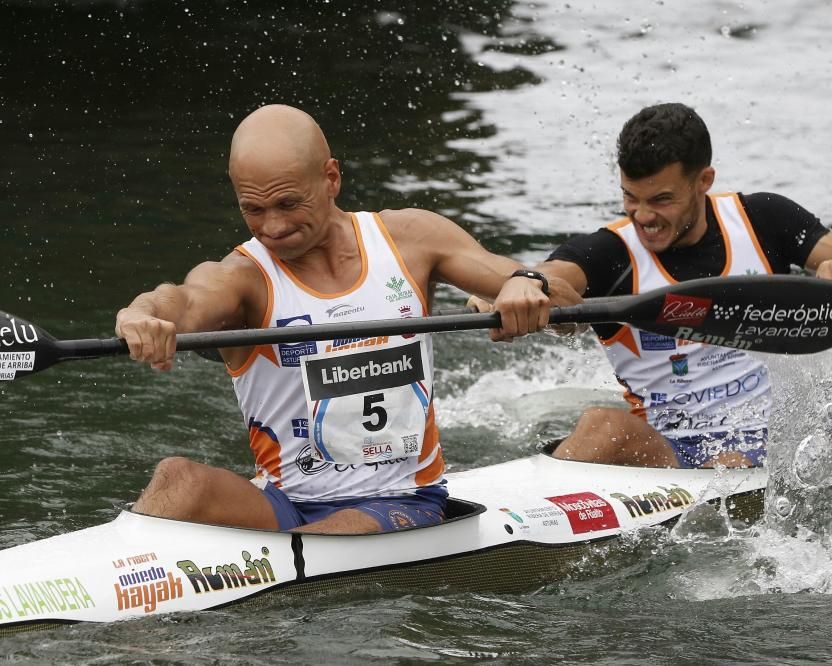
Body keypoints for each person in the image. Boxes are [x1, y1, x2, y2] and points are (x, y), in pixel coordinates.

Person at [115, 104, 572, 534]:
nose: (272, 227)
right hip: (283, 501)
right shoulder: (244, 276)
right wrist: (142, 315)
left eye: (289, 205)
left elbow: (569, 312)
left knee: (341, 531)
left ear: (331, 178)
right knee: (178, 478)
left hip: (401, 501)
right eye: (253, 209)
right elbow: (180, 300)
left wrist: (528, 284)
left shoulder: (411, 239)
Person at [481, 102, 832, 469]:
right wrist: (524, 285)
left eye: (661, 199)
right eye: (630, 197)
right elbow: (554, 276)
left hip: (775, 440)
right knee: (600, 423)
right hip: (665, 447)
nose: (642, 215)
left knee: (729, 463)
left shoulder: (764, 220)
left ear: (704, 181)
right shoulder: (610, 252)